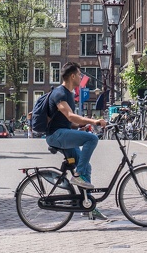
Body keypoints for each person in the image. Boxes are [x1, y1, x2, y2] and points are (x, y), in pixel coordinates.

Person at [45, 62, 106, 220]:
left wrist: (84, 125)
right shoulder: (59, 93)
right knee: (92, 140)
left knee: (87, 167)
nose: (81, 77)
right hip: (56, 135)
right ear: (72, 76)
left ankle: (88, 207)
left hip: (63, 133)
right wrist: (93, 122)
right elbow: (71, 116)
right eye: (79, 74)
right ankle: (77, 175)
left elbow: (69, 122)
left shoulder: (69, 94)